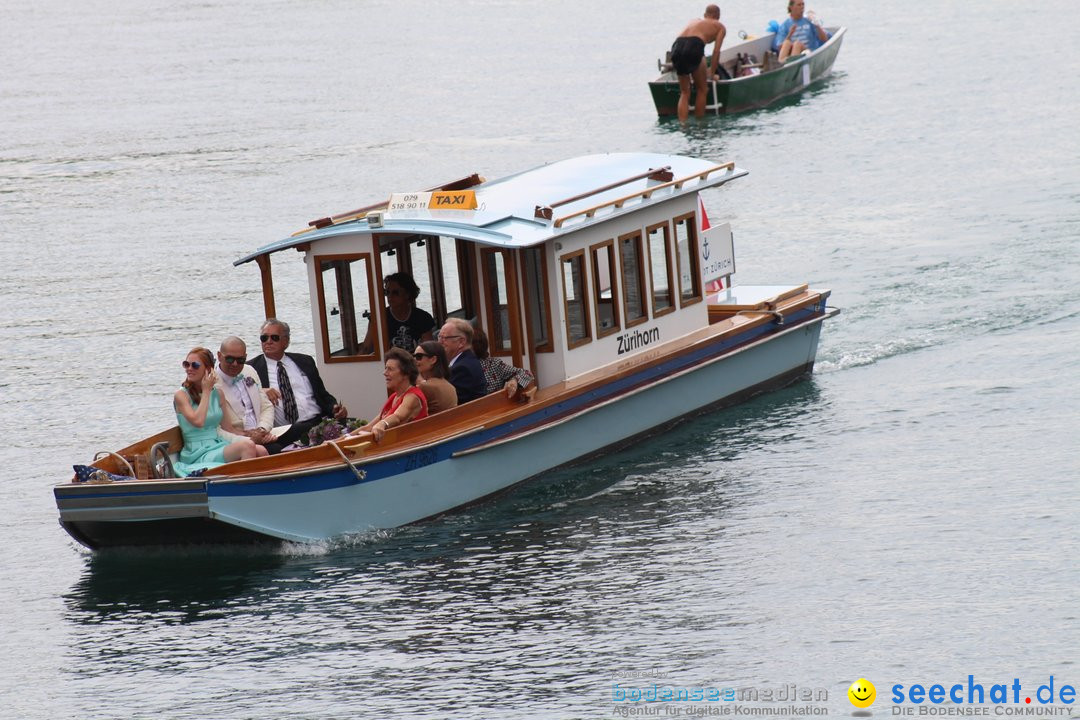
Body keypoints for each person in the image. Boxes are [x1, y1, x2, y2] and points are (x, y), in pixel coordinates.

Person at [248, 318, 348, 453]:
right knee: (296, 431)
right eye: (264, 338)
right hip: (283, 429)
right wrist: (261, 391)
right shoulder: (251, 368)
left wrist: (335, 408)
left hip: (317, 420)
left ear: (286, 342)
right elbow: (243, 399)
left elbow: (322, 395)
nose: (268, 341)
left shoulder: (305, 361)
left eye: (274, 337)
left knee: (354, 424)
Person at [173, 347, 267, 477]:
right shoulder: (181, 395)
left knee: (261, 450)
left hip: (217, 443)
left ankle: (264, 487)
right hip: (196, 452)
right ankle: (243, 487)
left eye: (195, 365)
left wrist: (253, 434)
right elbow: (198, 421)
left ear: (208, 369)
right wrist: (206, 391)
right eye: (186, 364)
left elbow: (229, 429)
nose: (189, 368)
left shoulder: (218, 394)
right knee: (246, 447)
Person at [349, 348, 428, 444]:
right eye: (385, 368)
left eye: (390, 369)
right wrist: (341, 439)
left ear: (406, 374)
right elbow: (369, 427)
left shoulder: (412, 397)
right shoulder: (394, 396)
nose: (385, 373)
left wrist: (383, 424)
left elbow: (398, 417)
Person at [215, 336, 277, 446]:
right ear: (219, 356)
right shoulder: (212, 384)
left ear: (245, 357)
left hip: (261, 433)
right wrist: (249, 439)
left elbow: (266, 407)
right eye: (229, 359)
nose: (235, 364)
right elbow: (217, 428)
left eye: (240, 360)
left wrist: (262, 430)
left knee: (300, 430)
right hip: (237, 441)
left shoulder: (249, 371)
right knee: (275, 449)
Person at [670, 4, 727, 122]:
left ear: (705, 15)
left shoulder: (694, 21)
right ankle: (699, 125)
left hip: (677, 46)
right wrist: (711, 73)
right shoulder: (719, 26)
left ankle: (683, 125)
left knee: (685, 91)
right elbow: (716, 51)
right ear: (718, 16)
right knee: (702, 89)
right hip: (694, 46)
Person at [359, 271, 436, 353]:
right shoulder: (378, 318)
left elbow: (428, 350)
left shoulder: (423, 318)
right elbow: (366, 348)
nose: (390, 296)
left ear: (407, 294)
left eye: (395, 292)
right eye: (387, 292)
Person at [472, 325, 537, 400]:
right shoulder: (460, 366)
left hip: (498, 408)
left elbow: (527, 374)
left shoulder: (493, 363)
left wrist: (514, 381)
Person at [438, 317, 486, 404]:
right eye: (439, 337)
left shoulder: (463, 368)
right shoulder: (466, 360)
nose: (440, 342)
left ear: (461, 342)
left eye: (444, 338)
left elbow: (448, 402)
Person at [413, 341, 458, 414]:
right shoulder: (450, 387)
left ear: (433, 360)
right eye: (414, 356)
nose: (414, 360)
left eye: (419, 356)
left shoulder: (425, 386)